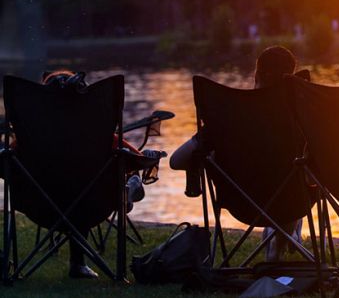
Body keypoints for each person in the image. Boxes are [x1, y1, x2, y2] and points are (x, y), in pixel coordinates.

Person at [170, 45, 304, 262]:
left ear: (256, 75)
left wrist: (209, 159)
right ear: (292, 81)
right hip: (291, 203)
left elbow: (177, 161)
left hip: (241, 203)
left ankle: (278, 236)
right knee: (298, 169)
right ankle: (282, 238)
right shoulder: (298, 119)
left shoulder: (228, 116)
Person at [36, 71, 147, 279]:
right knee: (88, 191)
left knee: (70, 190)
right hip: (92, 206)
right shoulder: (99, 135)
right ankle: (128, 191)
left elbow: (8, 161)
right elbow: (137, 158)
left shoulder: (30, 137)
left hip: (41, 206)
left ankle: (77, 264)